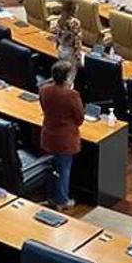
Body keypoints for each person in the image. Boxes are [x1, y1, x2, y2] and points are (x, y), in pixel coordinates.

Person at [40, 60, 83, 211]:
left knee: (51, 168)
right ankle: (62, 201)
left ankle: (51, 197)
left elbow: (44, 108)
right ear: (67, 77)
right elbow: (80, 119)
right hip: (65, 139)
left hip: (48, 135)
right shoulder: (72, 95)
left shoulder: (44, 89)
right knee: (64, 169)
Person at [54, 0, 82, 70]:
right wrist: (78, 56)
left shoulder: (60, 20)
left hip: (61, 49)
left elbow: (57, 36)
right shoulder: (75, 22)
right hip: (70, 52)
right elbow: (77, 41)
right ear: (73, 9)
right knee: (70, 73)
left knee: (62, 71)